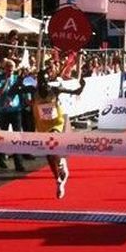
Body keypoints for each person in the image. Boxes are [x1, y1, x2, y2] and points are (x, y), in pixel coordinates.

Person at [32, 65, 85, 199]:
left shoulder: (54, 90)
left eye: (45, 82)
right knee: (49, 156)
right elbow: (13, 91)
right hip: (43, 126)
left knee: (53, 142)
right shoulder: (34, 92)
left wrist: (82, 85)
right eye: (40, 83)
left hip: (56, 123)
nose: (43, 85)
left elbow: (76, 92)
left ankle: (60, 163)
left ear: (47, 81)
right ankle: (58, 179)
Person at [0, 59, 26, 171]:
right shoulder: (0, 77)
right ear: (5, 68)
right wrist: (7, 81)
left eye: (12, 67)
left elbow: (22, 91)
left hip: (15, 110)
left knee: (17, 136)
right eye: (8, 67)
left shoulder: (17, 78)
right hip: (4, 111)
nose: (10, 70)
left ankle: (19, 163)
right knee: (2, 135)